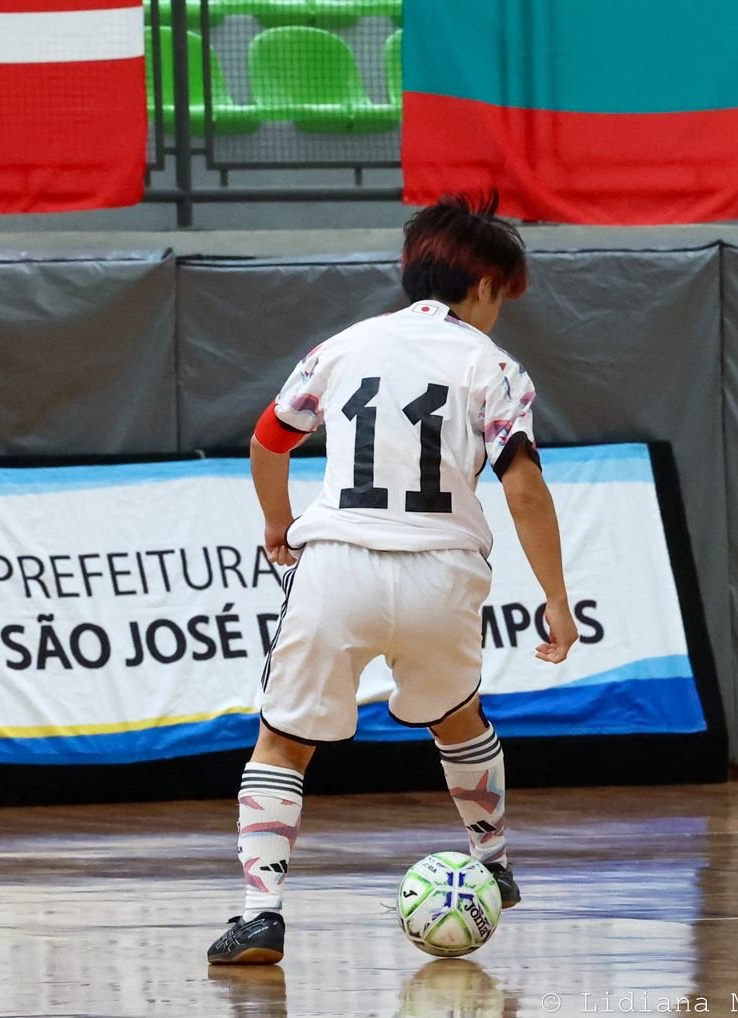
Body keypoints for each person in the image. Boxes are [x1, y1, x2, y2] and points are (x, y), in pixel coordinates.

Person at [207, 192, 577, 965]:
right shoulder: (493, 365)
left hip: (337, 562)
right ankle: (494, 863)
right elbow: (523, 487)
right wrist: (556, 600)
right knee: (458, 718)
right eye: (502, 296)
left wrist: (277, 524)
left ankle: (260, 914)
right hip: (443, 570)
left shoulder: (344, 346)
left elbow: (269, 440)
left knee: (281, 743)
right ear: (482, 287)